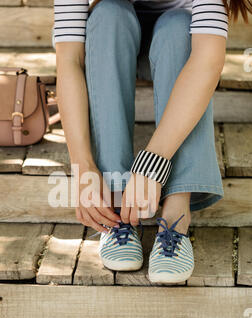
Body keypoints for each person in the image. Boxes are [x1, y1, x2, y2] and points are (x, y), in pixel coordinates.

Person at [53, 0, 251, 283]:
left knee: (178, 25)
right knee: (108, 13)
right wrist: (82, 164)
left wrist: (153, 160)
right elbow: (70, 60)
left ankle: (175, 215)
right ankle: (117, 210)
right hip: (112, 48)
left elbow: (208, 61)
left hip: (178, 49)